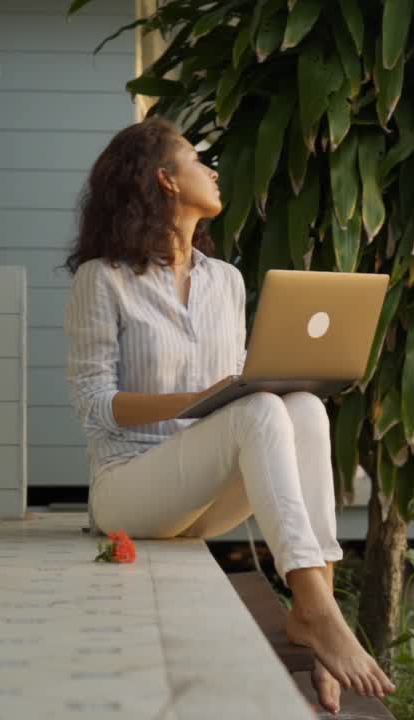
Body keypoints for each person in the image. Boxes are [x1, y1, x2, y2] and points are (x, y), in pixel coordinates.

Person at [62, 116, 395, 713]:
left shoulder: (228, 281)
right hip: (128, 490)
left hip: (204, 500)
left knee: (302, 406)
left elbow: (252, 398)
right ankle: (319, 613)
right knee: (260, 408)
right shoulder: (103, 280)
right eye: (197, 160)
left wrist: (258, 384)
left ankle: (316, 609)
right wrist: (207, 400)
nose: (213, 172)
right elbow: (94, 408)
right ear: (164, 180)